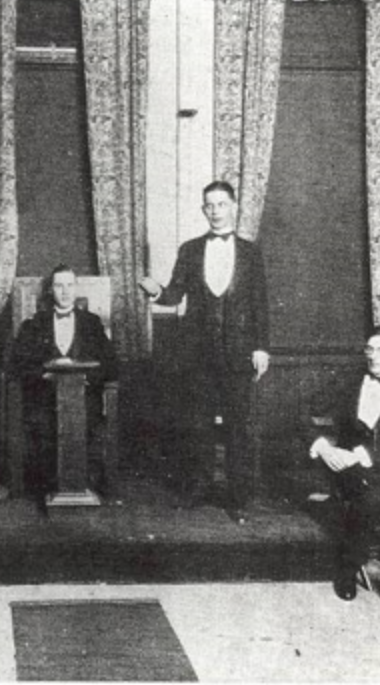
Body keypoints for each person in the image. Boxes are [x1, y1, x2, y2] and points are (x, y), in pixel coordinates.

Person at [138, 180, 270, 520]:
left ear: (233, 206)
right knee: (197, 425)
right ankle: (198, 488)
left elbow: (260, 304)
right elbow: (174, 294)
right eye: (209, 205)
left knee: (238, 427)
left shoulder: (251, 252)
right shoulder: (190, 249)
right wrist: (155, 291)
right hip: (197, 355)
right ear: (203, 210)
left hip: (240, 354)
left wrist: (261, 347)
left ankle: (237, 497)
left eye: (221, 204)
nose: (215, 211)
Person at [308, 326, 380, 601]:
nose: (373, 357)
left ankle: (348, 567)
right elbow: (304, 412)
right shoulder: (348, 381)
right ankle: (347, 563)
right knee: (360, 493)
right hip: (343, 465)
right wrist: (324, 447)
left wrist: (360, 455)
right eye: (369, 349)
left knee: (371, 497)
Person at [10, 264, 119, 499]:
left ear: (76, 288)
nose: (65, 291)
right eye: (59, 285)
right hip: (44, 399)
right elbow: (18, 364)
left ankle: (80, 485)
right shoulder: (34, 324)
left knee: (87, 422)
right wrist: (44, 375)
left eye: (69, 285)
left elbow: (111, 363)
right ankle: (51, 486)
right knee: (43, 425)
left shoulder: (92, 323)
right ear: (51, 290)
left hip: (84, 398)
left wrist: (85, 379)